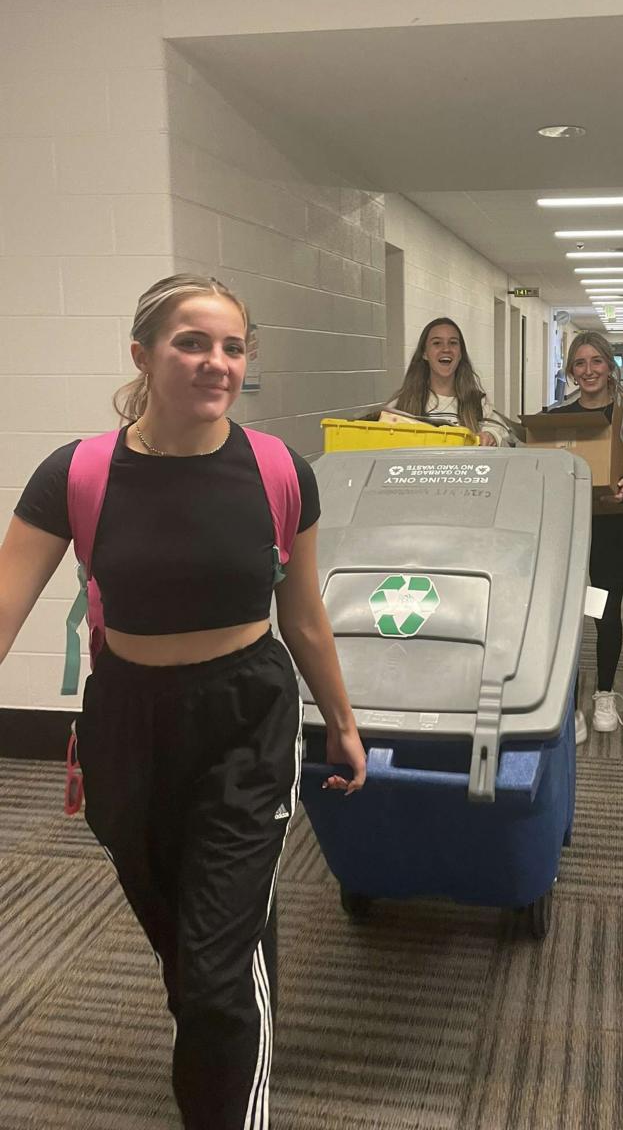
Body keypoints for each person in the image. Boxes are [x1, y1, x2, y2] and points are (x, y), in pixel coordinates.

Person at [0, 274, 366, 1129]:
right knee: (185, 949)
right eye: (192, 343)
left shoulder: (278, 471)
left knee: (215, 971)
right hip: (127, 723)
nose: (216, 363)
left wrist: (343, 724)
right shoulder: (77, 472)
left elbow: (304, 618)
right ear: (143, 355)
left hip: (246, 720)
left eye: (233, 347)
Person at [554, 331, 623, 744]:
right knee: (567, 616)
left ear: (610, 367)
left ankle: (604, 693)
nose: (589, 370)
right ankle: (569, 701)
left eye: (596, 361)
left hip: (614, 531)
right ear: (571, 371)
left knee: (605, 611)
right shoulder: (557, 419)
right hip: (568, 530)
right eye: (580, 363)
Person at [389, 317, 504, 446]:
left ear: (460, 354)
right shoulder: (402, 402)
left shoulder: (478, 402)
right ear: (425, 353)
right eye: (437, 343)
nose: (446, 349)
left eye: (453, 343)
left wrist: (490, 436)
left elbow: (499, 430)